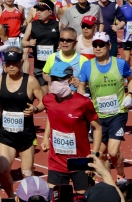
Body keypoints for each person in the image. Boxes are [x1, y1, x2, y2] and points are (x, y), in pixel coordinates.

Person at [77, 32, 132, 185]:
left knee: (113, 152)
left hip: (117, 113)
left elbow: (131, 79)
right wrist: (83, 98)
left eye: (101, 45)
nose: (98, 48)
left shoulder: (120, 64)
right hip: (98, 117)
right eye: (95, 45)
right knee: (100, 155)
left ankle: (121, 177)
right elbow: (81, 86)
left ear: (109, 46)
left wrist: (131, 94)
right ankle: (110, 184)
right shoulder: (87, 66)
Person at [0, 48, 45, 197]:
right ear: (5, 65)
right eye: (8, 63)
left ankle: (31, 198)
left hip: (25, 136)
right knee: (2, 170)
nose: (11, 66)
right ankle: (11, 197)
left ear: (21, 63)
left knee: (27, 174)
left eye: (14, 63)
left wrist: (35, 109)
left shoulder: (30, 81)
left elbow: (43, 101)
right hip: (6, 135)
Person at [41, 62, 102, 195]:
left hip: (79, 161)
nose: (55, 82)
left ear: (69, 79)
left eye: (59, 79)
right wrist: (45, 137)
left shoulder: (83, 103)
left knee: (83, 196)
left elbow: (97, 128)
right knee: (55, 196)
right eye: (53, 79)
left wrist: (94, 155)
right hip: (56, 161)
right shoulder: (48, 99)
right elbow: (50, 116)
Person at [21, 0, 60, 93]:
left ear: (50, 11)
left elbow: (64, 41)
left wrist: (61, 46)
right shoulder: (32, 25)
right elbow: (23, 42)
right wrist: (29, 43)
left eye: (42, 10)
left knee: (54, 92)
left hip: (54, 65)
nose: (38, 12)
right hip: (39, 66)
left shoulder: (58, 25)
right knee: (44, 94)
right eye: (38, 10)